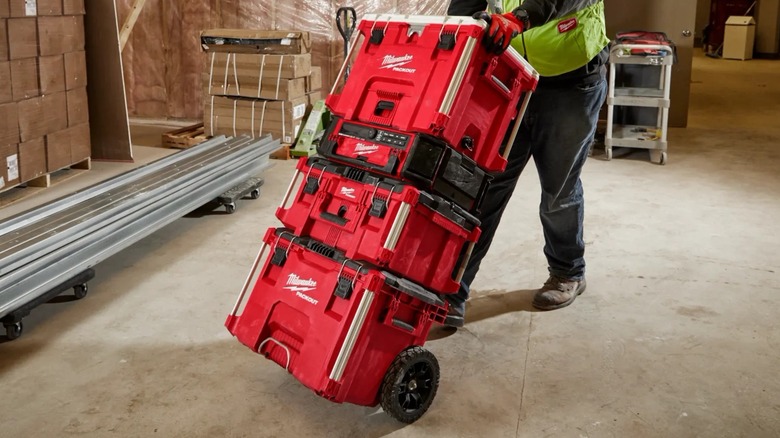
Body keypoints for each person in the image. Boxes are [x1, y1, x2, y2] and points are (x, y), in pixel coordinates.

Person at [444, 0, 610, 327]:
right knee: (485, 188)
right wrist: (461, 27)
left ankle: (567, 272)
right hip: (510, 76)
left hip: (571, 81)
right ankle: (452, 290)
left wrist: (520, 18)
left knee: (558, 190)